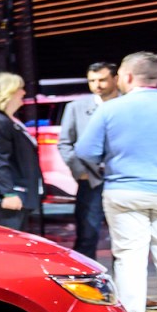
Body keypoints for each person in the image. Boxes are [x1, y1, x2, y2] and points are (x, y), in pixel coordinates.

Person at [76, 51, 157, 312]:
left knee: (130, 259)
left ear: (127, 77)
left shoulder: (110, 109)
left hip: (124, 191)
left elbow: (85, 151)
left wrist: (109, 160)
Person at [57, 62, 119, 260]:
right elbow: (65, 143)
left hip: (122, 178)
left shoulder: (126, 104)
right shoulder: (76, 107)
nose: (97, 85)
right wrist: (79, 172)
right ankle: (87, 283)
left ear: (115, 79)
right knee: (87, 234)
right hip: (91, 179)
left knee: (125, 236)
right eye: (92, 80)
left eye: (102, 80)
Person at [0, 72, 41, 231]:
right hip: (9, 198)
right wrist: (8, 193)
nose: (23, 93)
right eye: (20, 89)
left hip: (19, 194)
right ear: (7, 92)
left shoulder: (8, 120)